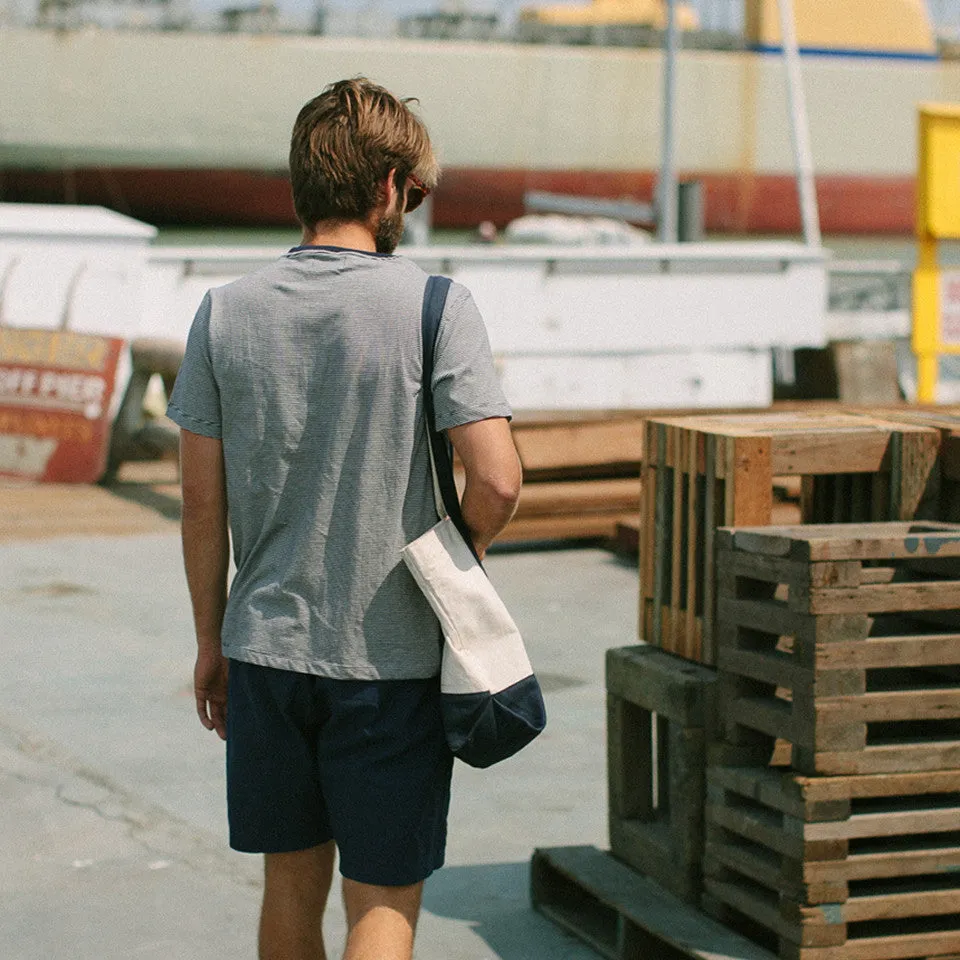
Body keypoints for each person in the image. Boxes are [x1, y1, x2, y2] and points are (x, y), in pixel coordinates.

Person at [166, 77, 522, 960]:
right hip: (390, 664)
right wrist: (461, 555)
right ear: (390, 186)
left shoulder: (223, 313)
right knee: (382, 903)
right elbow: (498, 480)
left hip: (263, 651)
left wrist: (211, 641)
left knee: (289, 890)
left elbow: (201, 502)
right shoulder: (435, 306)